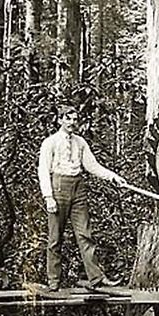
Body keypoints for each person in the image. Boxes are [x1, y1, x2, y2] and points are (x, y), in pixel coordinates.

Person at [37, 103, 127, 290]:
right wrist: (48, 197)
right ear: (59, 120)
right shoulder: (50, 142)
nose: (72, 122)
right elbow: (43, 170)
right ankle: (53, 282)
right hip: (58, 187)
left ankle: (97, 279)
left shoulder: (80, 142)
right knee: (55, 237)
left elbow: (92, 165)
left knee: (85, 234)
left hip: (78, 187)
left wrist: (113, 177)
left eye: (75, 119)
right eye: (67, 118)